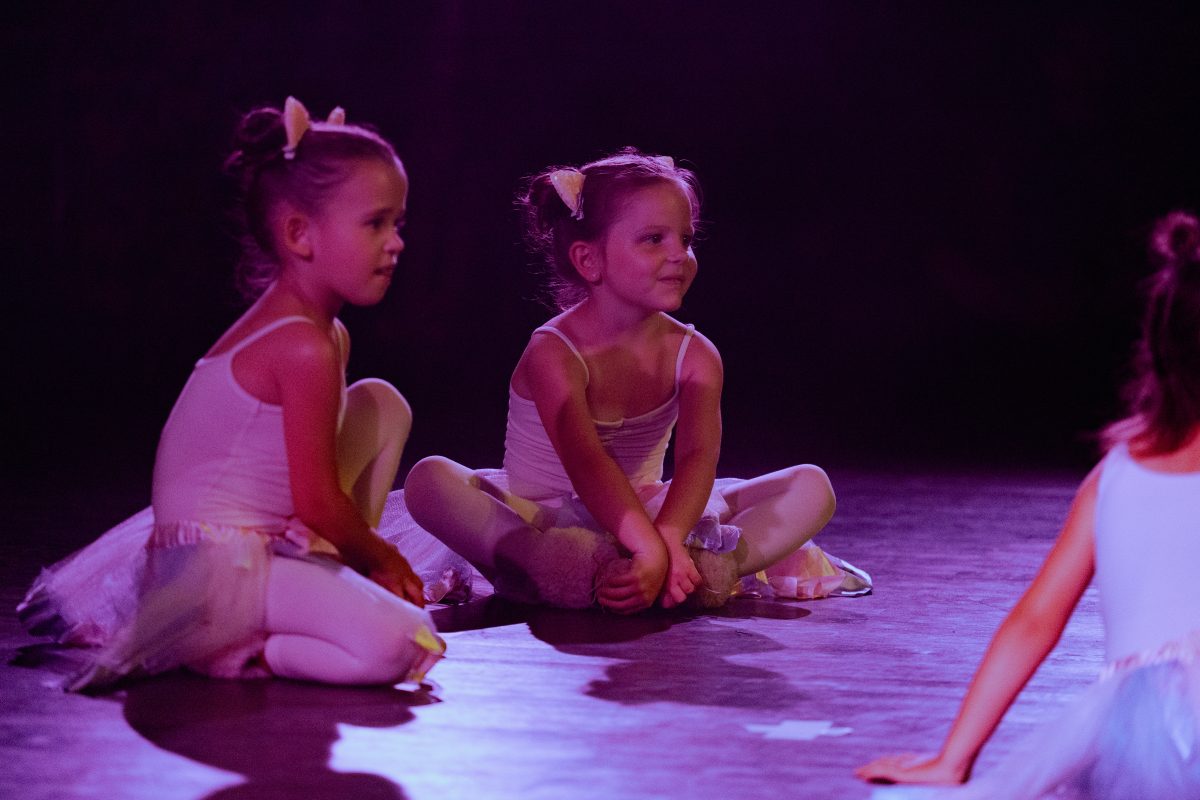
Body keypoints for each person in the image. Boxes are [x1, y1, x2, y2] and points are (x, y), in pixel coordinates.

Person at [19, 97, 444, 691]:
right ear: (299, 234)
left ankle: (321, 582)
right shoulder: (302, 345)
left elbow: (310, 489)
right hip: (219, 570)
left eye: (397, 223)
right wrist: (382, 556)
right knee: (407, 641)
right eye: (375, 224)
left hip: (263, 541)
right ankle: (252, 649)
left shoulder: (323, 333)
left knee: (380, 403)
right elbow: (317, 499)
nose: (395, 242)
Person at [393, 148, 869, 613]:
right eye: (654, 239)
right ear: (589, 260)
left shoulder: (696, 355)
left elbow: (697, 458)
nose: (679, 254)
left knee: (812, 486)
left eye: (686, 239)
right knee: (429, 480)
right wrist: (646, 544)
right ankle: (554, 566)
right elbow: (586, 461)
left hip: (652, 513)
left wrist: (667, 538)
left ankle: (705, 569)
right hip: (542, 517)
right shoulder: (554, 351)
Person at [857, 211, 1200, 798]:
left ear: (1160, 352)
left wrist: (954, 758)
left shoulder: (1116, 474)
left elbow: (1036, 618)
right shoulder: (1116, 476)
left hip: (1131, 736)